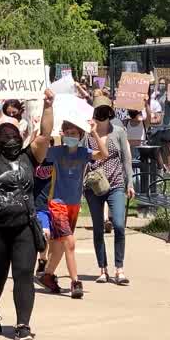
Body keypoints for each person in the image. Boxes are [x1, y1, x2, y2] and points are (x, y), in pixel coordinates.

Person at [0, 88, 53, 340]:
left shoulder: (30, 157)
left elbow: (45, 135)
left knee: (23, 274)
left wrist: (48, 106)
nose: (10, 139)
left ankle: (22, 325)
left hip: (24, 228)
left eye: (14, 135)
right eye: (5, 135)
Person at [39, 115, 90, 299]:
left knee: (61, 245)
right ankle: (75, 282)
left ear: (80, 135)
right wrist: (40, 129)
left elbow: (104, 155)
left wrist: (95, 134)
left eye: (74, 133)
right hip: (57, 203)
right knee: (69, 242)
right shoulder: (56, 152)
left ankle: (48, 275)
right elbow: (38, 150)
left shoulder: (84, 152)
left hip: (74, 203)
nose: (70, 136)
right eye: (67, 133)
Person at [84, 96, 133, 285]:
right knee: (98, 228)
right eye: (99, 111)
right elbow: (82, 158)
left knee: (119, 225)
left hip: (116, 183)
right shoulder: (87, 133)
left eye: (106, 110)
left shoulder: (119, 131)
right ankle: (102, 268)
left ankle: (119, 268)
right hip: (94, 185)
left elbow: (126, 159)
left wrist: (130, 183)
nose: (103, 114)